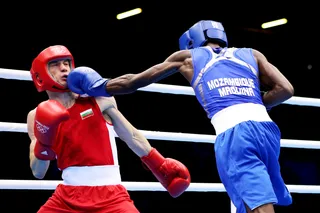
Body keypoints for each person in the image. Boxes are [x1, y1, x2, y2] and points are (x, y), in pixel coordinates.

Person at [67, 20, 294, 213]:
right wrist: (252, 102)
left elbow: (132, 82)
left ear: (192, 41)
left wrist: (99, 86)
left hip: (235, 133)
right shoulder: (251, 54)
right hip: (267, 130)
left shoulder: (188, 57)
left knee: (258, 203)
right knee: (247, 197)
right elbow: (286, 89)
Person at [27, 45, 191, 213]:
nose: (64, 68)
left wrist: (160, 165)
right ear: (41, 74)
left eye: (66, 63)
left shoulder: (97, 99)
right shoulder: (36, 116)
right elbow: (38, 172)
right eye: (55, 64)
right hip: (66, 199)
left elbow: (131, 135)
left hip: (111, 197)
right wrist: (44, 141)